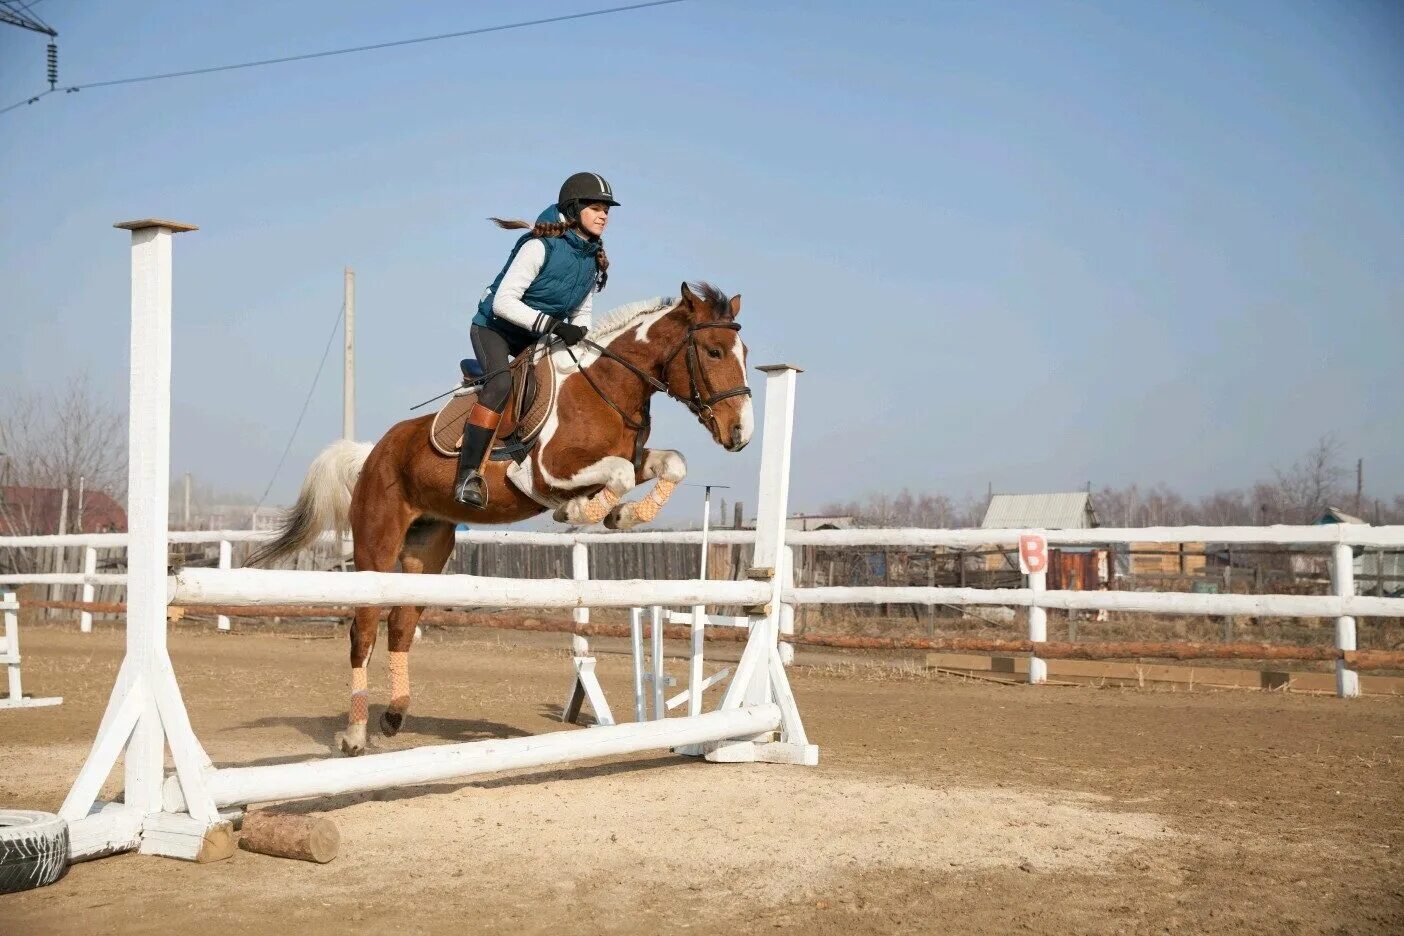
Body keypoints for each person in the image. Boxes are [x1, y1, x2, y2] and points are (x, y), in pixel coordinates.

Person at [454, 172, 619, 507]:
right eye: (596, 207)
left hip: (536, 337)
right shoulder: (538, 246)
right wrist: (556, 326)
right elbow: (503, 303)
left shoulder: (593, 259)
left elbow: (582, 313)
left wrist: (581, 334)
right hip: (494, 329)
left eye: (607, 209)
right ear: (574, 210)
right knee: (500, 385)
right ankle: (467, 476)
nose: (604, 215)